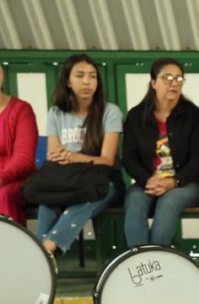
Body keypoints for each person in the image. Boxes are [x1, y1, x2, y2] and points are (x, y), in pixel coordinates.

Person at [36, 53, 123, 256]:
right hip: (66, 181)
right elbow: (53, 155)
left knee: (84, 200)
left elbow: (107, 160)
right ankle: (43, 259)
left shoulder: (110, 112)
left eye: (92, 76)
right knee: (47, 204)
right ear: (67, 80)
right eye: (80, 75)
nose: (87, 82)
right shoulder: (55, 113)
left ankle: (45, 250)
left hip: (104, 183)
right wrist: (72, 158)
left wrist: (74, 157)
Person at [122, 58, 199, 247]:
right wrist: (147, 180)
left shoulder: (193, 115)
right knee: (135, 201)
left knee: (169, 201)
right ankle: (138, 261)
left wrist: (174, 181)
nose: (174, 83)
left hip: (188, 184)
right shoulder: (136, 116)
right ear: (153, 82)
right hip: (148, 182)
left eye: (179, 78)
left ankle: (158, 260)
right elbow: (129, 158)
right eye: (167, 77)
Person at [0, 64, 38, 226]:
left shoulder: (21, 110)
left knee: (4, 195)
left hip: (14, 179)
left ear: (1, 75)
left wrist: (1, 178)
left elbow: (23, 159)